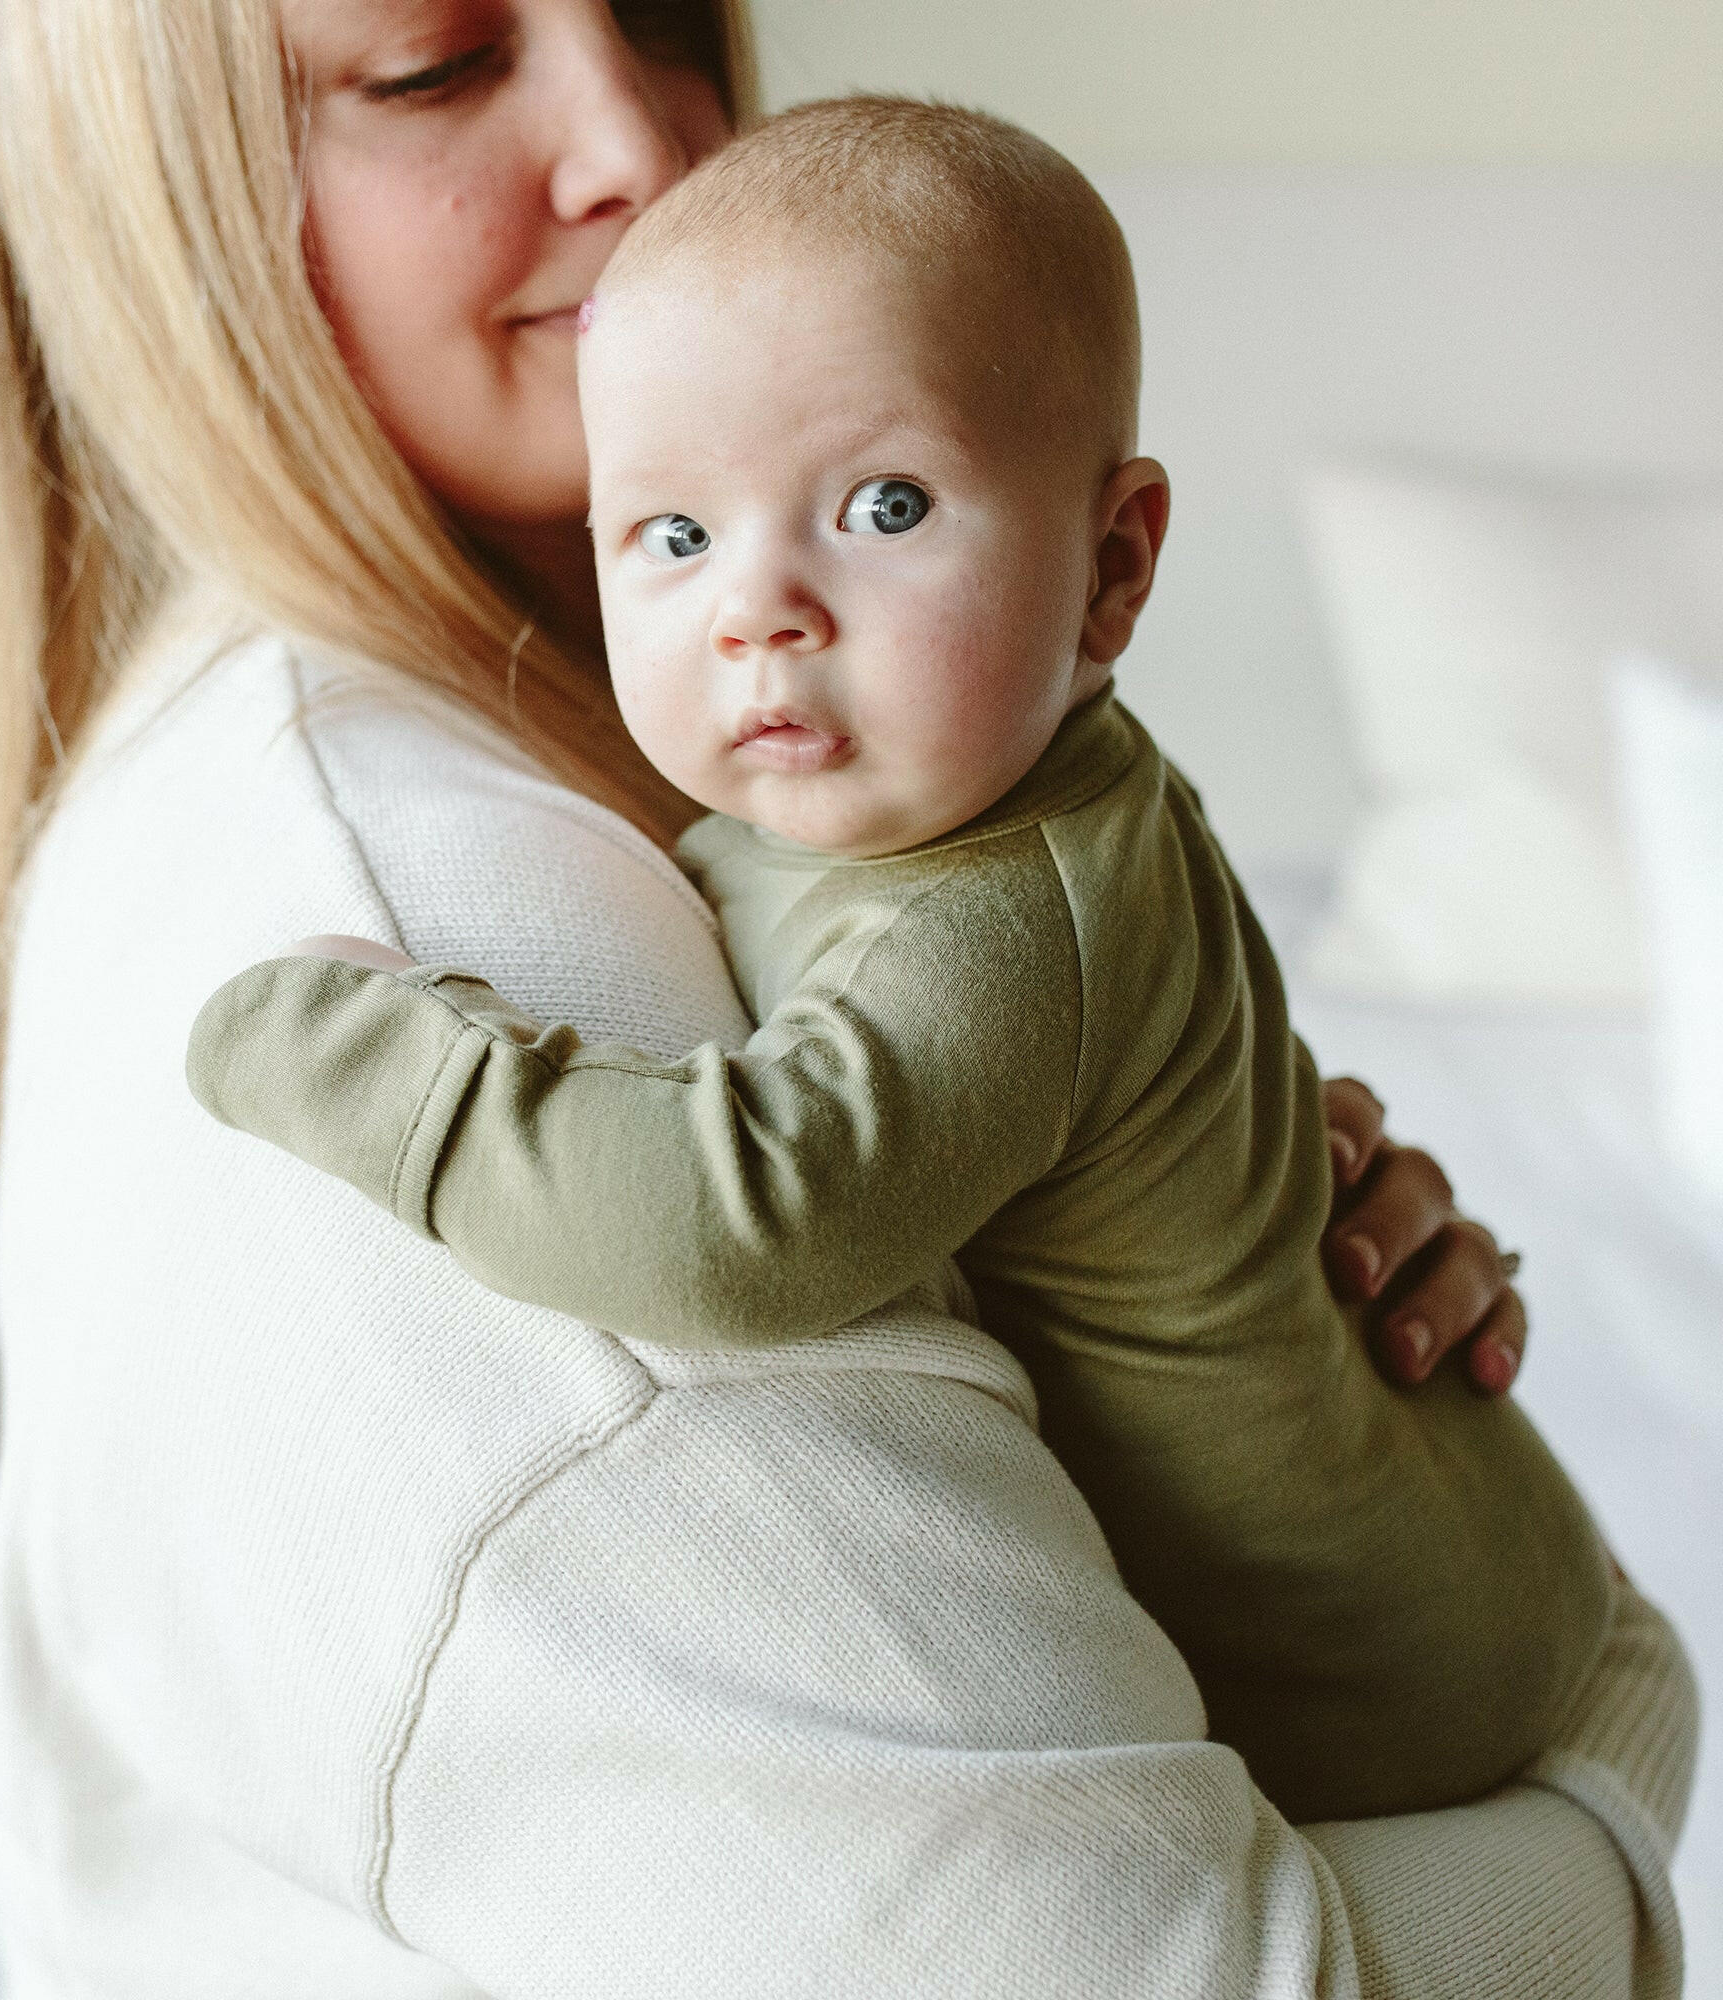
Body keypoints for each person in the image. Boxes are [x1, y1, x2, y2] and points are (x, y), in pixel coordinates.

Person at [0, 3, 1694, 1995]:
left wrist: (1296, 1240)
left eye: (665, 10)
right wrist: (1616, 1757)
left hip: (1434, 1646)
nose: (644, 147)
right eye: (430, 62)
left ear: (1113, 571)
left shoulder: (846, 833)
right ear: (149, 198)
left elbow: (740, 1204)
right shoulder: (426, 886)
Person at [187, 97, 1614, 1827]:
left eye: (881, 502)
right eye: (676, 535)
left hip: (1374, 1677)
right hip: (1452, 1531)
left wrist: (357, 1046)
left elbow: (725, 1225)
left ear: (1110, 571)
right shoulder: (933, 806)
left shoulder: (997, 916)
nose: (759, 607)